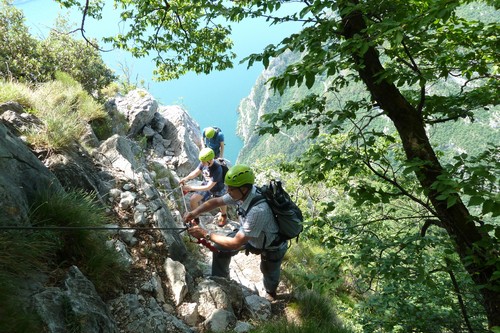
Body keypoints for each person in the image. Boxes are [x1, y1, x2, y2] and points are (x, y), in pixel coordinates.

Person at [184, 164, 288, 300]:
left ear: (244, 189)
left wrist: (205, 234)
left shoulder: (258, 211)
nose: (228, 191)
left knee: (269, 271)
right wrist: (194, 212)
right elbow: (216, 201)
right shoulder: (241, 194)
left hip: (272, 245)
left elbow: (235, 243)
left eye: (231, 188)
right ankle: (221, 282)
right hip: (250, 235)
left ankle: (270, 293)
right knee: (220, 248)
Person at [180, 148, 228, 226]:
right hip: (206, 184)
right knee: (193, 200)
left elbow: (208, 187)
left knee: (221, 203)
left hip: (217, 188)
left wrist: (190, 188)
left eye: (203, 161)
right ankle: (196, 218)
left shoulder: (217, 169)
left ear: (209, 160)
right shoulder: (203, 163)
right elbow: (195, 172)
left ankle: (224, 215)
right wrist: (186, 178)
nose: (201, 163)